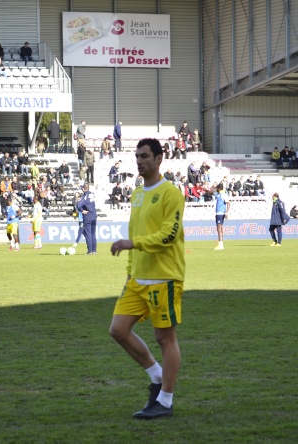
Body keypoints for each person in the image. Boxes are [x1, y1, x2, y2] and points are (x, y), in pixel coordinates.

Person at [109, 138, 185, 420]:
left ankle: (165, 400)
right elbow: (136, 229)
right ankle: (156, 375)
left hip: (164, 277)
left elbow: (169, 235)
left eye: (144, 156)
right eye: (137, 157)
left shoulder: (170, 193)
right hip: (137, 278)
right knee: (118, 330)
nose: (139, 161)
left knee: (165, 339)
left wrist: (133, 244)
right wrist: (130, 269)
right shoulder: (137, 193)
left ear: (159, 159)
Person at [77, 183, 97, 255]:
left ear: (83, 189)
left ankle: (90, 251)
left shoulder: (85, 196)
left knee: (88, 234)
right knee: (93, 234)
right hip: (94, 215)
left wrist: (82, 210)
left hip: (88, 216)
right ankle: (94, 250)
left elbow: (79, 205)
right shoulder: (92, 194)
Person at [213, 183, 230, 250]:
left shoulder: (223, 195)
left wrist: (227, 212)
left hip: (220, 213)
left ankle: (220, 244)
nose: (217, 189)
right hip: (218, 213)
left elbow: (228, 203)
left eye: (217, 188)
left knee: (219, 228)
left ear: (219, 188)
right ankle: (220, 243)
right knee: (219, 228)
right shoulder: (219, 195)